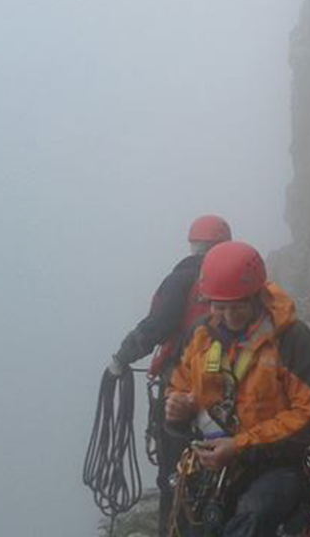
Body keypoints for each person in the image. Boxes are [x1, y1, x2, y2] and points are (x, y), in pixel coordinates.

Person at [165, 241, 310, 537]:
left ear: (256, 297)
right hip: (210, 465)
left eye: (237, 307)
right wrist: (179, 409)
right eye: (220, 307)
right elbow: (178, 386)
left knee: (253, 517)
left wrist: (240, 446)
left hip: (274, 465)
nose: (228, 317)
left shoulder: (292, 340)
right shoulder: (200, 335)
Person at [106, 214, 231, 536]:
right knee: (218, 464)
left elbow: (157, 325)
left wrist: (121, 358)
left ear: (194, 245)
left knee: (175, 469)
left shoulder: (182, 279)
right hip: (227, 387)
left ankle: (175, 528)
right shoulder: (235, 283)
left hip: (180, 383)